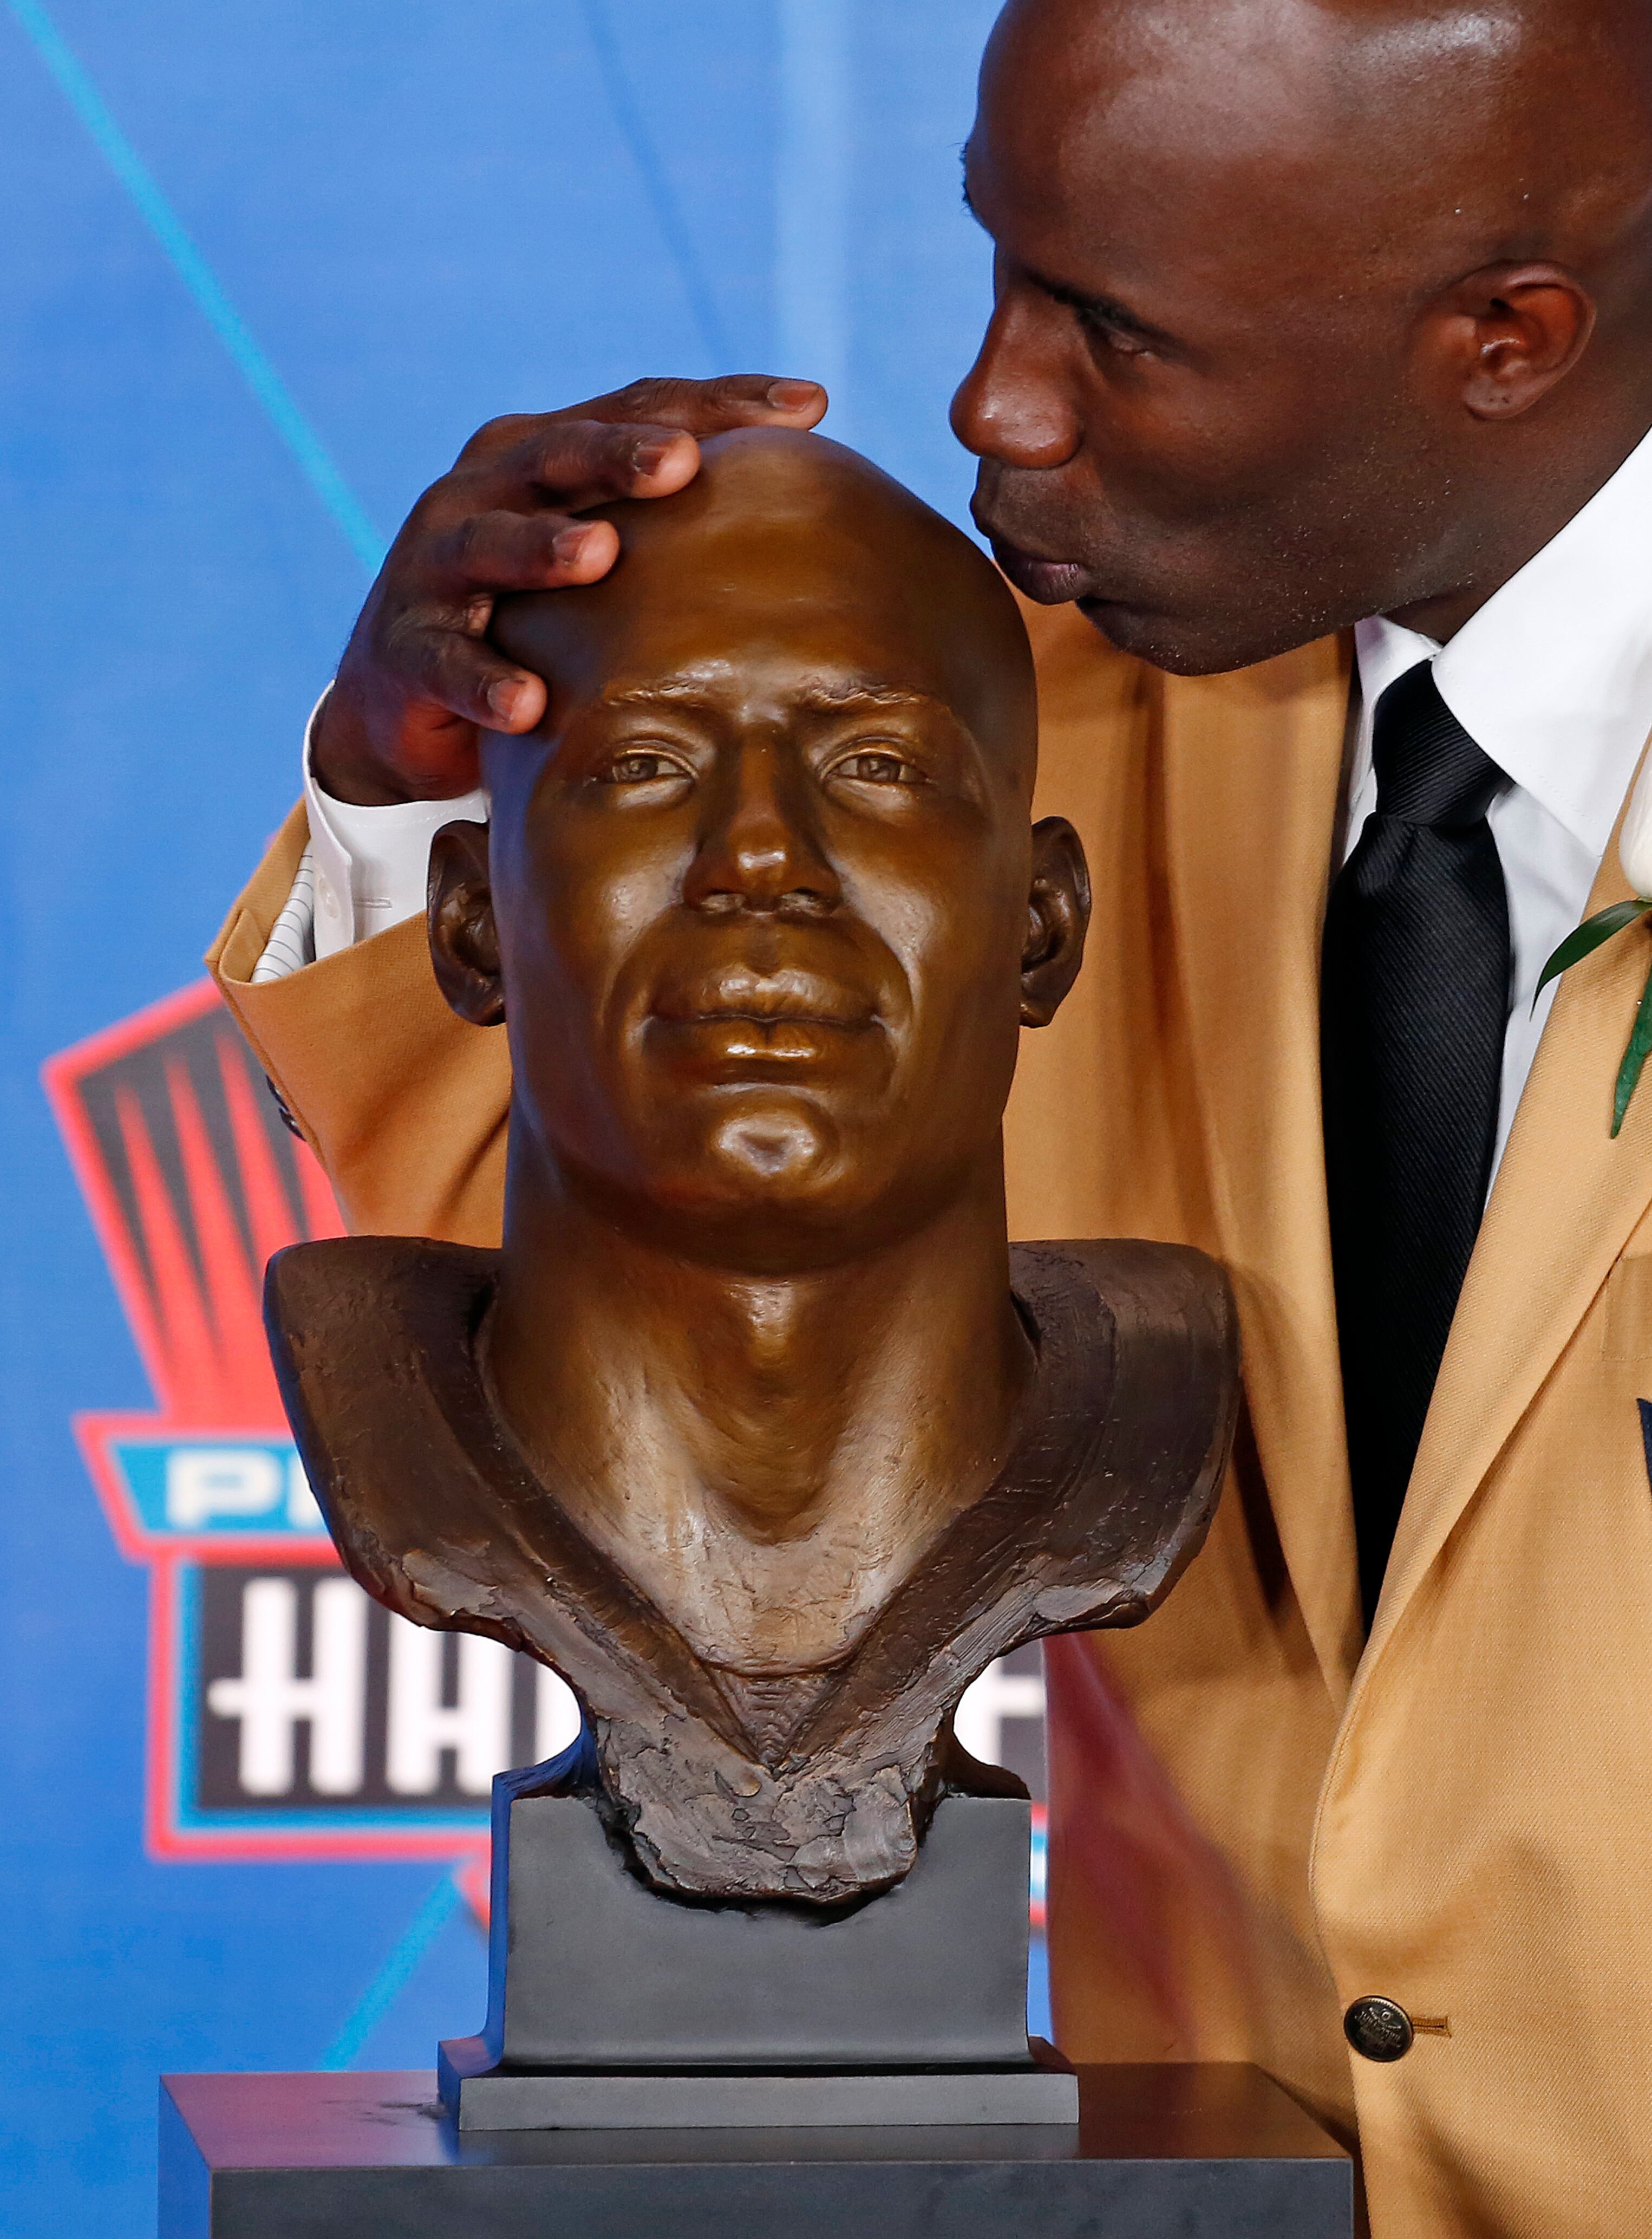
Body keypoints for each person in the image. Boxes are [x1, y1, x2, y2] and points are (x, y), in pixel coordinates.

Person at [210, 0, 1652, 2238]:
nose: (995, 398)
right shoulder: (1041, 720)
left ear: (1506, 334)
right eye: (1000, 263)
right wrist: (413, 774)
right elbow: (614, 1255)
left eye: (1112, 327)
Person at [262, 427, 1236, 1907]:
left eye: (880, 764)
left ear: (1041, 926)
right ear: (469, 927)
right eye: (649, 764)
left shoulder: (1174, 1385)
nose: (762, 857)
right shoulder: (397, 1392)